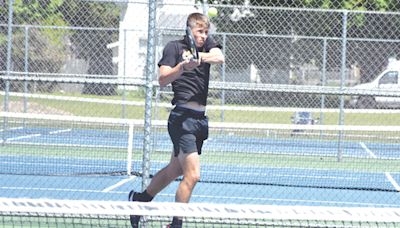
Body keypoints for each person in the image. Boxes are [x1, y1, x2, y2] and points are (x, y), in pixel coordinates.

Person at [128, 12, 224, 228]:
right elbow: (162, 79)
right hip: (182, 119)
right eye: (200, 32)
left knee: (175, 170)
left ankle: (140, 200)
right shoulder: (174, 47)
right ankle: (176, 224)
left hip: (199, 120)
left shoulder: (207, 45)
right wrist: (182, 67)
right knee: (193, 174)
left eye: (206, 32)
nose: (203, 36)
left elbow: (219, 57)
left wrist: (199, 58)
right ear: (189, 30)